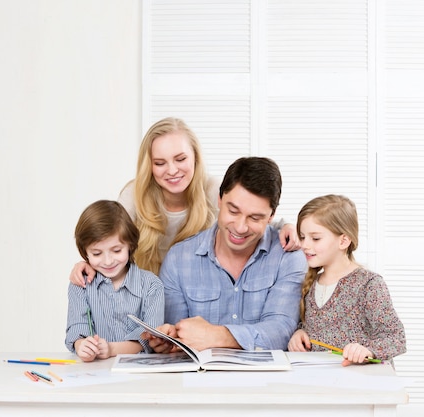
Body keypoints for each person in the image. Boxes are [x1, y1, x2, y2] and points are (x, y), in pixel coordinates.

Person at [70, 117, 300, 284]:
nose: (172, 171)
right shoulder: (133, 195)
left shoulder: (212, 190)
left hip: (192, 293)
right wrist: (86, 264)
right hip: (143, 295)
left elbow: (251, 213)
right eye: (160, 163)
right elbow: (108, 238)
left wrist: (287, 226)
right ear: (148, 165)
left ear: (195, 157)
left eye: (180, 159)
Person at [145, 157, 308, 353]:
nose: (240, 227)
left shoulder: (287, 256)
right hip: (199, 381)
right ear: (219, 200)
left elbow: (281, 331)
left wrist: (216, 335)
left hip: (267, 382)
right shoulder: (179, 260)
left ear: (272, 216)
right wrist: (169, 341)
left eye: (255, 217)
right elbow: (179, 336)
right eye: (233, 211)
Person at [287, 194, 406, 366]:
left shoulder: (369, 284)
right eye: (303, 237)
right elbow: (311, 327)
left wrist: (367, 350)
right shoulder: (311, 284)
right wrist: (299, 333)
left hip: (361, 386)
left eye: (316, 238)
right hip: (322, 384)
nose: (305, 245)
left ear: (343, 241)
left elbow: (396, 337)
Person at [65, 200, 164, 362]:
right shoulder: (81, 284)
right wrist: (82, 345)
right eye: (97, 254)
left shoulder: (152, 285)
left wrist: (112, 349)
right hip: (94, 374)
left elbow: (150, 338)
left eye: (116, 250)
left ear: (130, 245)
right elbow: (76, 328)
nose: (108, 261)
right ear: (85, 253)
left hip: (140, 376)